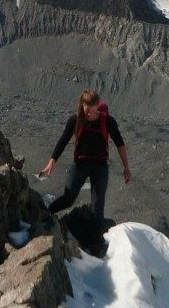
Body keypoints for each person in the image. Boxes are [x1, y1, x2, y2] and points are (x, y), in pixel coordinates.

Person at [40, 89, 131, 220]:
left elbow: (120, 144)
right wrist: (52, 161)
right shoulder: (75, 120)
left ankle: (95, 237)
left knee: (98, 207)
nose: (90, 114)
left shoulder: (107, 121)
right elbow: (63, 140)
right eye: (87, 110)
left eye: (93, 110)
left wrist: (126, 168)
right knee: (68, 198)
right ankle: (45, 215)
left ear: (98, 107)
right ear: (82, 105)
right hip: (80, 164)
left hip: (100, 166)